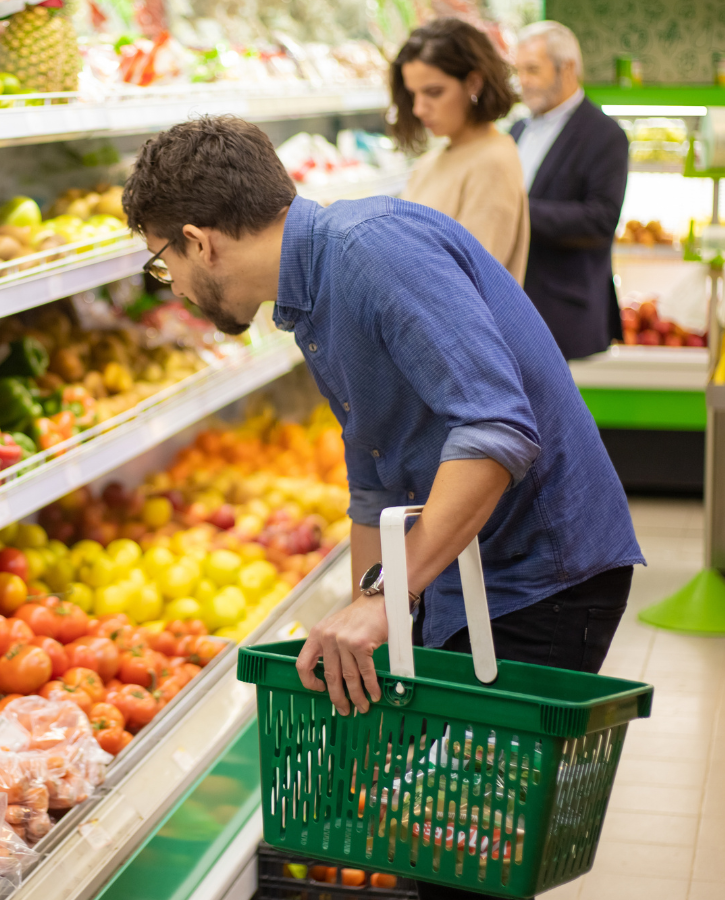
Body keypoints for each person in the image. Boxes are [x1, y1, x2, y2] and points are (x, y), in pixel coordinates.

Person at [122, 116, 642, 900]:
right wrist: (369, 612)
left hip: (542, 575)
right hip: (476, 573)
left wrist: (384, 598)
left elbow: (497, 429)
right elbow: (378, 479)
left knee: (470, 865)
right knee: (440, 853)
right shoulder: (312, 293)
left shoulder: (373, 252)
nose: (178, 288)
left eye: (163, 265)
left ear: (199, 240)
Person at [511, 20, 629, 359]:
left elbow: (600, 220)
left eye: (532, 69)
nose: (523, 82)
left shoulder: (604, 135)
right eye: (518, 71)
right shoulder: (517, 128)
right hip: (515, 308)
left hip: (565, 316)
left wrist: (514, 211)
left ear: (568, 68)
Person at [393, 18, 530, 284]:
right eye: (413, 95)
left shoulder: (493, 161)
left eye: (434, 92)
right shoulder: (430, 162)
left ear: (473, 84)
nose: (419, 109)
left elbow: (465, 282)